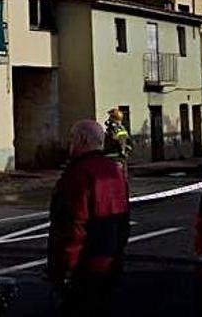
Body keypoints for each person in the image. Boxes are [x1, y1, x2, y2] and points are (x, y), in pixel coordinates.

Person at [48, 119, 130, 316]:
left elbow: (73, 226)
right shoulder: (115, 171)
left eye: (71, 139)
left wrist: (65, 270)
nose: (69, 145)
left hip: (83, 269)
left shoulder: (78, 174)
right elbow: (124, 222)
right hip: (109, 265)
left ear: (82, 140)